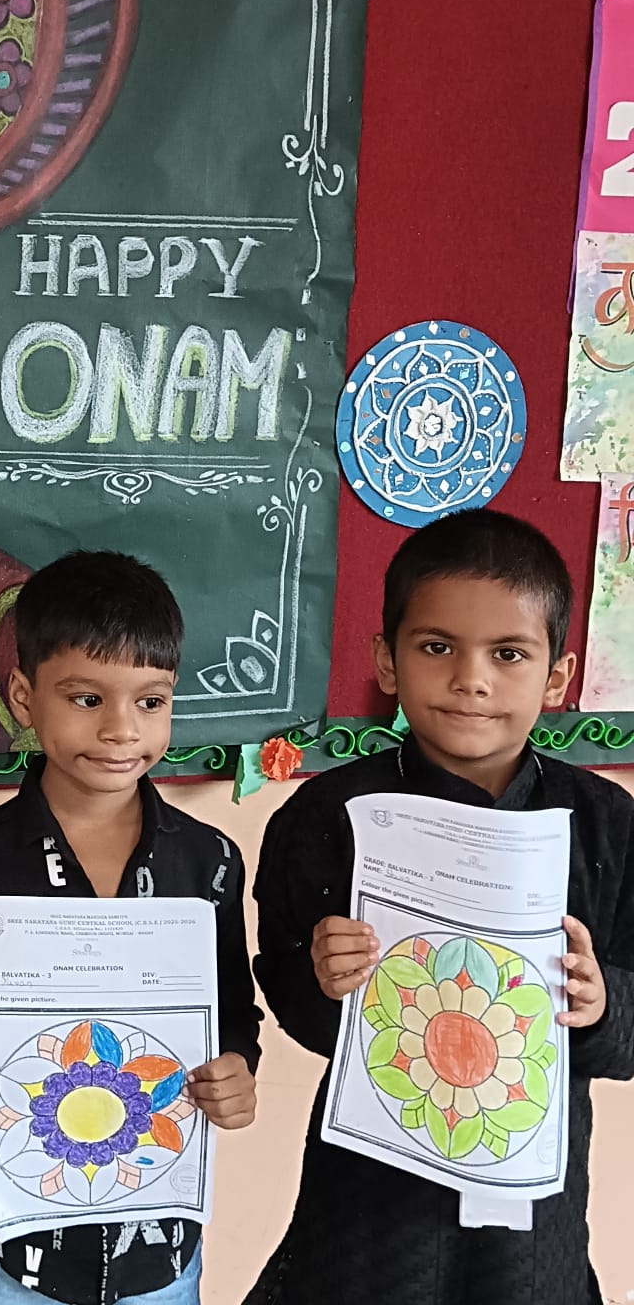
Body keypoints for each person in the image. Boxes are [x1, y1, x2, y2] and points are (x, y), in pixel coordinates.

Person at [247, 508, 633, 1305]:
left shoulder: (605, 825)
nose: (471, 680)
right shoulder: (328, 816)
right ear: (386, 661)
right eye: (436, 648)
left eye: (508, 654)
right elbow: (291, 998)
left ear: (557, 677)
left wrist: (601, 1007)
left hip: (533, 1220)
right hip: (369, 1210)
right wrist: (325, 983)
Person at [0, 550, 262, 1305]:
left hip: (158, 1252)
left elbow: (233, 1013)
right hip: (9, 1252)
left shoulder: (208, 864)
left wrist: (238, 1070)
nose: (120, 729)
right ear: (23, 697)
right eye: (86, 698)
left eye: (150, 701)